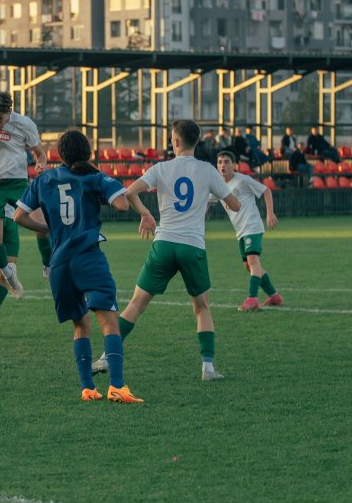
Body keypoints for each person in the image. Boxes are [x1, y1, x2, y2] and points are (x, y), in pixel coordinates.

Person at [92, 120, 241, 381]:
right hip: (192, 246)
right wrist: (212, 195)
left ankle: (106, 355)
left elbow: (129, 192)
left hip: (163, 243)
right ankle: (207, 368)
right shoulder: (208, 170)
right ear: (197, 142)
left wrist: (147, 214)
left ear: (175, 141)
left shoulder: (161, 168)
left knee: (136, 304)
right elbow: (235, 204)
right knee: (201, 306)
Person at [12, 130, 142, 403]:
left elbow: (19, 216)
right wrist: (100, 188)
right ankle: (117, 386)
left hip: (59, 263)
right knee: (109, 322)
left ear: (60, 155)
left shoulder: (44, 179)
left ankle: (88, 388)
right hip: (88, 256)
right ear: (88, 153)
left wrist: (45, 229)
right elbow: (121, 205)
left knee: (80, 325)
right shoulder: (94, 177)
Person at [0, 90, 50, 331]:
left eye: (0, 116)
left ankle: (49, 265)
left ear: (9, 111)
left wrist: (41, 164)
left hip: (18, 184)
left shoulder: (24, 123)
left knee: (42, 227)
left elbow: (40, 153)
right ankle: (1, 284)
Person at [214, 152, 282, 312]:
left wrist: (270, 213)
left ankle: (252, 299)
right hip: (241, 232)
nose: (223, 165)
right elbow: (204, 202)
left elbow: (266, 190)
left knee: (253, 262)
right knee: (249, 266)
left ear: (234, 165)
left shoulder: (242, 180)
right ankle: (274, 297)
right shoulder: (218, 186)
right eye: (220, 162)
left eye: (226, 162)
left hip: (252, 226)